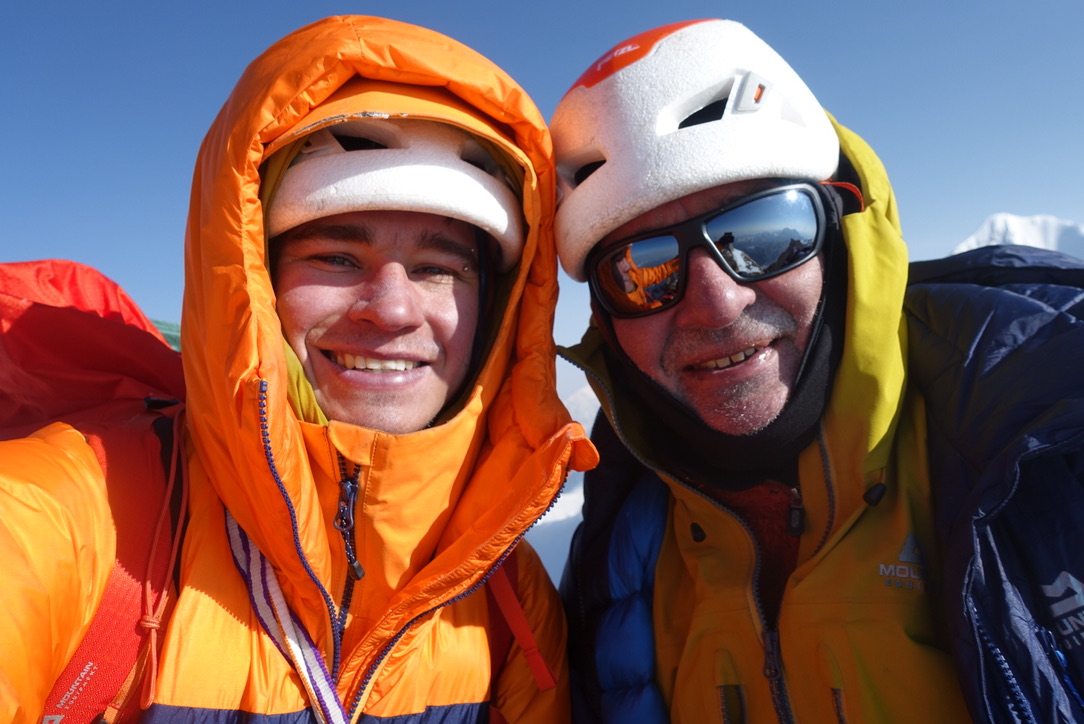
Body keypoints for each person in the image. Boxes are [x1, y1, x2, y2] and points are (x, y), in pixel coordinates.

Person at [0, 15, 594, 723]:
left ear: (494, 314)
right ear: (254, 279)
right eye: (338, 258)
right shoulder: (61, 518)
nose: (393, 309)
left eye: (439, 269)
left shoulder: (507, 601)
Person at [552, 18, 1084, 723]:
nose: (718, 301)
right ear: (603, 319)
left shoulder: (1047, 436)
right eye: (642, 270)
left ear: (839, 228)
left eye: (766, 232)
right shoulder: (619, 536)